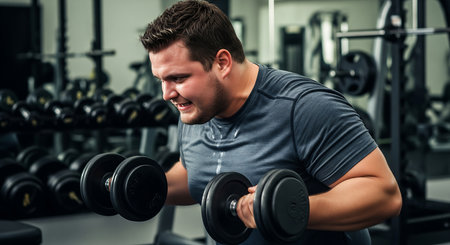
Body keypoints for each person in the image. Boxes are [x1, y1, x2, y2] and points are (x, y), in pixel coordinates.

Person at [140, 0, 402, 244]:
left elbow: (384, 195)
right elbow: (196, 174)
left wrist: (282, 208)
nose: (166, 94)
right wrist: (140, 184)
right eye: (160, 80)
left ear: (222, 62)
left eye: (178, 78)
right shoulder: (195, 108)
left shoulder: (304, 107)